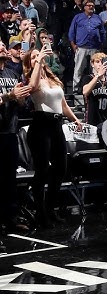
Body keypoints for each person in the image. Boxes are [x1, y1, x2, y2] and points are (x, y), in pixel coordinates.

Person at [23, 46, 83, 227]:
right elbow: (32, 87)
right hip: (41, 124)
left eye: (38, 56)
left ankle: (50, 209)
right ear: (29, 63)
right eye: (33, 57)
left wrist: (75, 120)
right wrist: (39, 61)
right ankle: (40, 213)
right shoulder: (29, 78)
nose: (37, 58)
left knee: (60, 168)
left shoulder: (52, 79)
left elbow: (63, 105)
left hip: (57, 124)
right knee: (42, 170)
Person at [0, 40, 31, 234]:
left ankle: (10, 218)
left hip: (10, 131)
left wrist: (20, 97)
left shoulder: (12, 73)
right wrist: (10, 95)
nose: (3, 47)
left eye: (3, 45)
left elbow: (20, 103)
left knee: (9, 178)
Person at [68, 0, 105, 92]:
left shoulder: (97, 18)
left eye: (92, 5)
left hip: (94, 48)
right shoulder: (78, 17)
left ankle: (95, 87)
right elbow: (72, 32)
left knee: (95, 69)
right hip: (81, 47)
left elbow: (102, 32)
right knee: (79, 69)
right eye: (89, 5)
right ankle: (75, 89)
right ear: (84, 7)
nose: (91, 7)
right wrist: (73, 46)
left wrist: (101, 45)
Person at [82, 51, 107, 126]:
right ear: (92, 64)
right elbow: (85, 92)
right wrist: (98, 76)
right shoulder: (88, 78)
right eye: (97, 62)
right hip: (92, 119)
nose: (100, 64)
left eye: (102, 61)